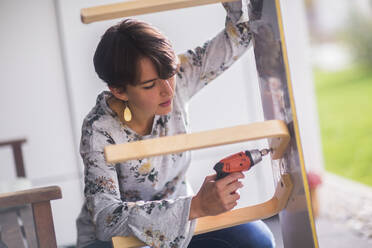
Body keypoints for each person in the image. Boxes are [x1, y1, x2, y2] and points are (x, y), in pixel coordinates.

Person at [76, 0, 275, 247]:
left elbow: (241, 35)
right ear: (118, 90)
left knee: (256, 240)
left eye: (168, 74)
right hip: (119, 241)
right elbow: (107, 219)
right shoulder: (99, 130)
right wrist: (196, 206)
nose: (167, 90)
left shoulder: (176, 79)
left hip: (183, 222)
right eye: (149, 85)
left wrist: (234, 4)